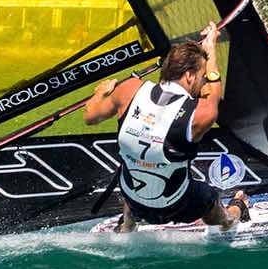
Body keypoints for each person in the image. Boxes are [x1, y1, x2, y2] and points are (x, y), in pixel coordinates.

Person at [83, 22, 250, 232]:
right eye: (201, 77)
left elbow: (89, 117)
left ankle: (128, 223)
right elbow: (214, 88)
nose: (202, 82)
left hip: (134, 200)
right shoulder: (202, 113)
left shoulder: (128, 90)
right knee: (210, 198)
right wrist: (211, 50)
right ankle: (231, 217)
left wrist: (100, 92)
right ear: (189, 76)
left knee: (134, 165)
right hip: (178, 205)